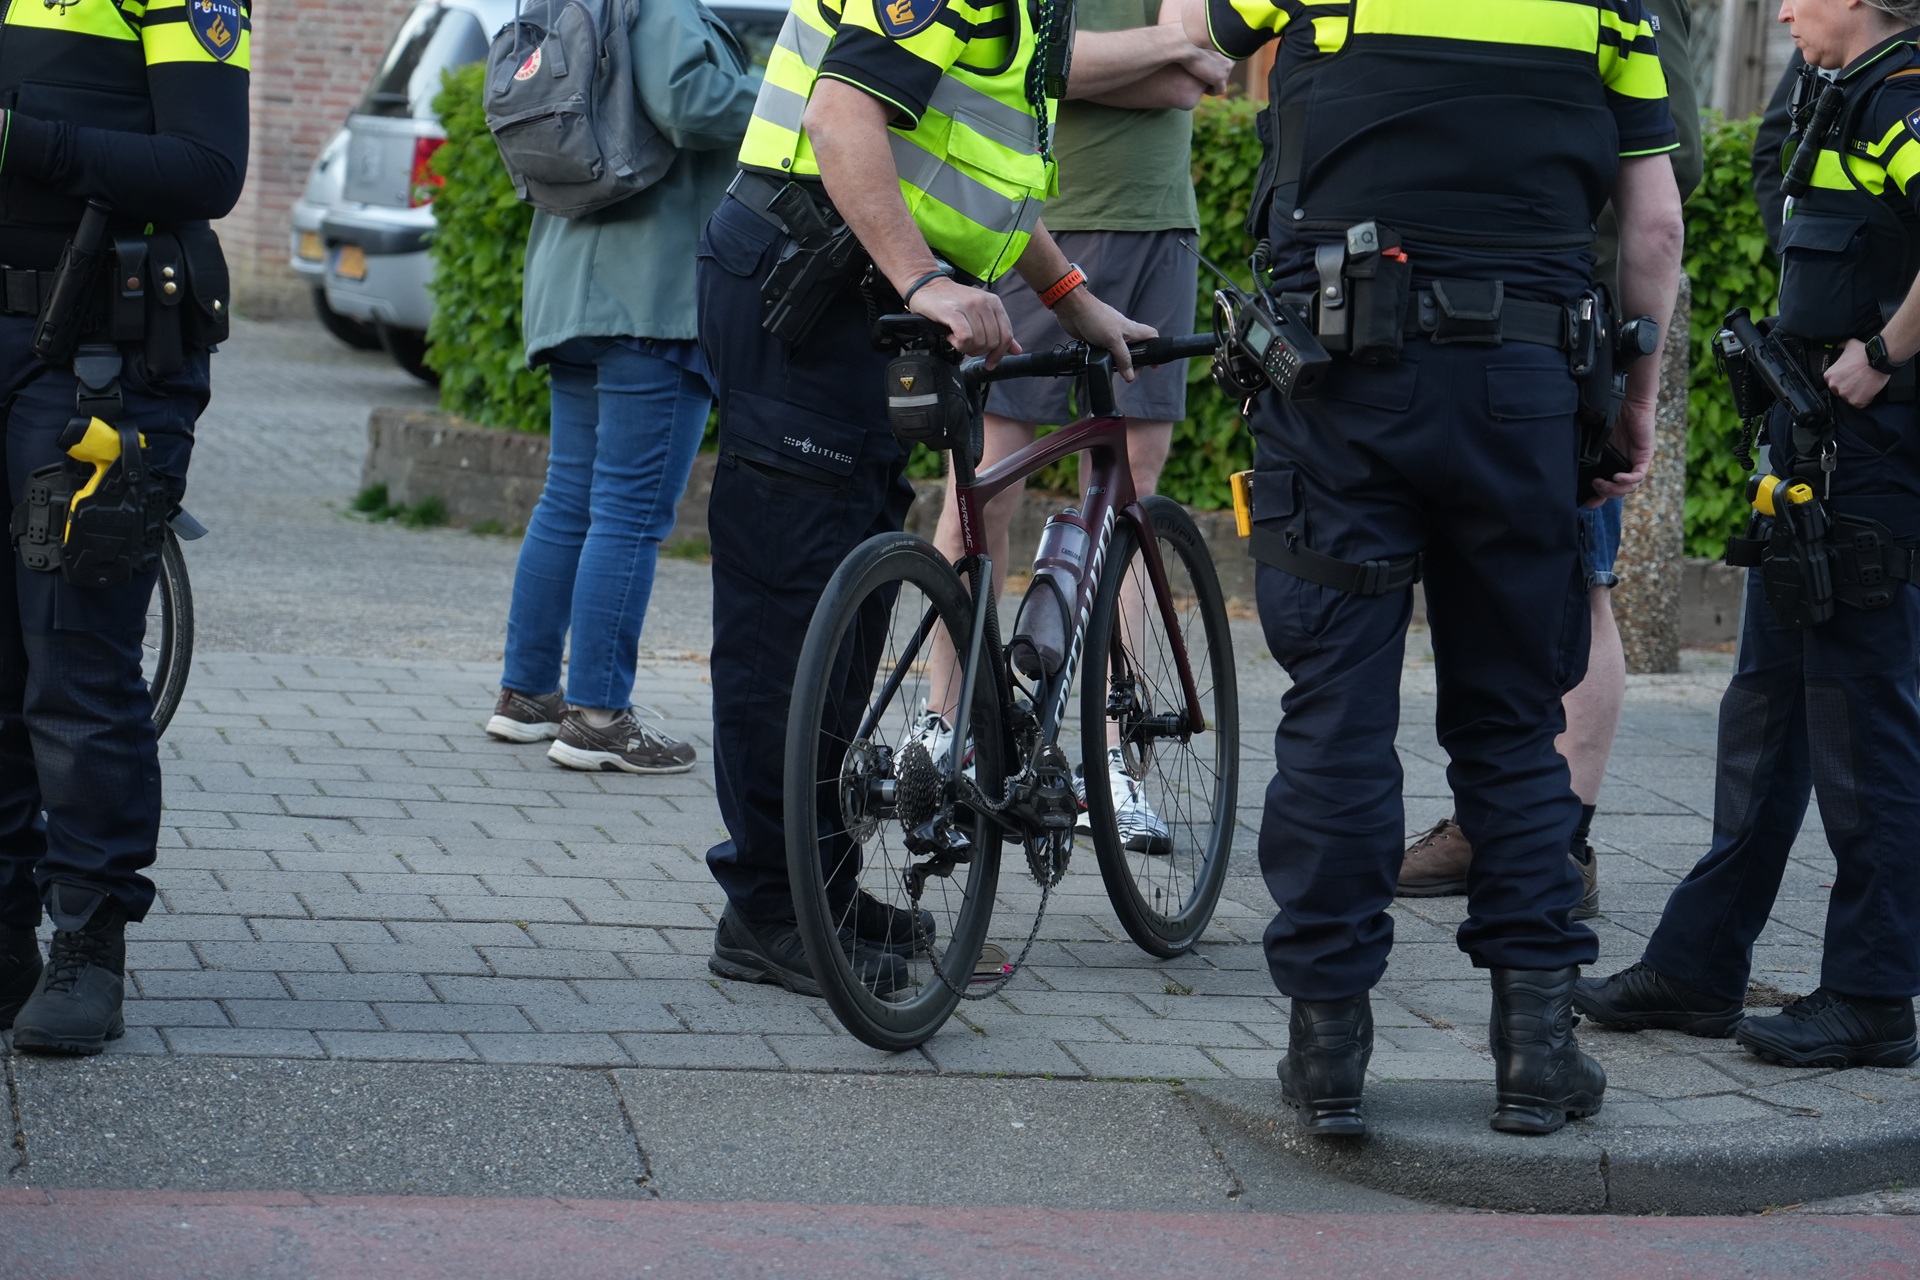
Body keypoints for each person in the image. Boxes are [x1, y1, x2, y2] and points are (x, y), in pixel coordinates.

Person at [1190, 0, 1684, 1133]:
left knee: (1338, 708)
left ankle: (1326, 1055)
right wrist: (1634, 402)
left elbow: (1208, 39)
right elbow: (1652, 227)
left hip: (1340, 385)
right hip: (1521, 386)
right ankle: (1535, 1053)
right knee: (1515, 714)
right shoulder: (1609, 7)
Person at [697, 0, 1154, 996]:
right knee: (792, 612)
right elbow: (840, 118)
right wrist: (924, 282)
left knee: (848, 611)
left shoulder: (1030, 11)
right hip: (807, 286)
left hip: (853, 295)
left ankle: (818, 884)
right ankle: (770, 911)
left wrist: (1073, 297)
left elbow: (976, 188)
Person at [1577, 0, 1920, 1071]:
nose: (1779, 11)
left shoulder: (1904, 95)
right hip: (1812, 454)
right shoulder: (1840, 89)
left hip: (1871, 457)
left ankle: (1872, 994)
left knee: (1867, 729)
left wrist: (1886, 352)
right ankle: (1698, 966)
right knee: (1764, 720)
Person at [1398, 0, 1705, 919]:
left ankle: (1556, 841)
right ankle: (1488, 822)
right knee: (1488, 593)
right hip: (1443, 324)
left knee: (1579, 584)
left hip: (1557, 334)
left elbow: (1669, 158)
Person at [917, 0, 1231, 852]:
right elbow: (1045, 63)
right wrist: (1162, 56)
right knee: (981, 486)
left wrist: (1141, 60)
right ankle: (940, 729)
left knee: (1133, 496)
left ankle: (1111, 756)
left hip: (1156, 219)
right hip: (1027, 226)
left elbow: (1201, 67)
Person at [0, 0, 249, 1054]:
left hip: (98, 350)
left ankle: (89, 936)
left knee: (74, 657)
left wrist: (21, 140)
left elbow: (205, 166)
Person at [483, 0, 761, 776]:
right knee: (629, 514)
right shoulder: (664, 6)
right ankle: (599, 717)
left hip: (570, 293)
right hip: (651, 294)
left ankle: (528, 695)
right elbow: (693, 103)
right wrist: (798, 94)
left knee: (569, 497)